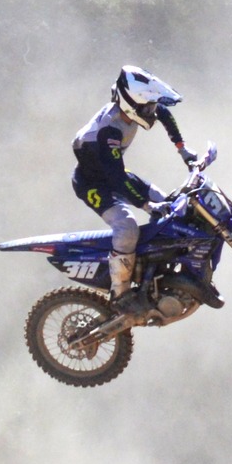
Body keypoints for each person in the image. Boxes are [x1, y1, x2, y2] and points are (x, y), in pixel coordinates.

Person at [72, 67, 194, 315]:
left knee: (171, 203)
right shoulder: (109, 131)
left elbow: (164, 113)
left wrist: (183, 150)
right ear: (131, 105)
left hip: (114, 173)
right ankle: (120, 293)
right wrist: (147, 206)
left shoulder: (134, 108)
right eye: (147, 108)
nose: (151, 112)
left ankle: (159, 268)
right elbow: (116, 179)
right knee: (126, 226)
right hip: (93, 185)